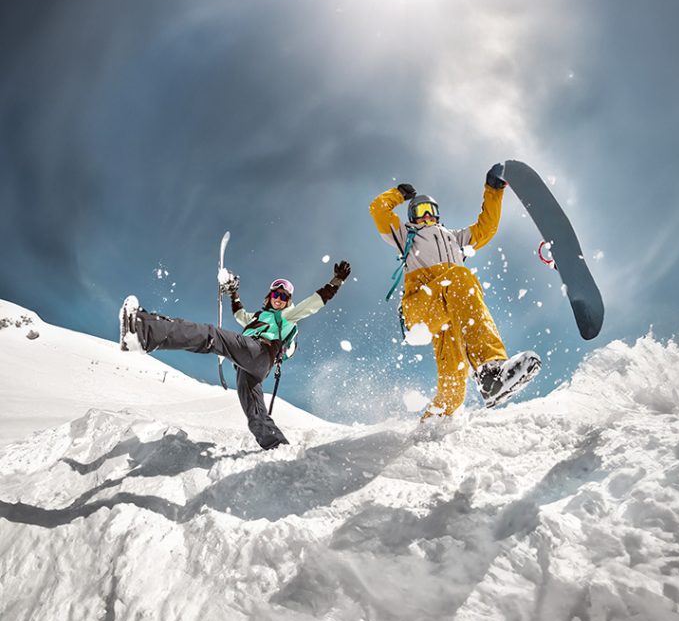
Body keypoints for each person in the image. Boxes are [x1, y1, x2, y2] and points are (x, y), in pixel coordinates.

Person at [119, 261, 351, 450]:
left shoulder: (288, 316)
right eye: (275, 295)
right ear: (269, 297)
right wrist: (233, 293)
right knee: (255, 413)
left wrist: (335, 282)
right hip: (248, 368)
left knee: (213, 337)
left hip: (260, 352)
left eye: (283, 297)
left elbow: (314, 303)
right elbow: (240, 314)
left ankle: (142, 331)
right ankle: (279, 449)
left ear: (288, 301)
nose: (278, 299)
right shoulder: (258, 316)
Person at [370, 165, 540, 416]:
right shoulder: (406, 235)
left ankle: (432, 424)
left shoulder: (454, 238)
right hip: (421, 304)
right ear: (412, 216)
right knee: (460, 277)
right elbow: (378, 210)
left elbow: (486, 228)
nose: (426, 215)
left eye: (431, 211)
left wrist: (493, 191)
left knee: (454, 383)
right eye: (420, 211)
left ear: (438, 214)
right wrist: (397, 194)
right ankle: (490, 371)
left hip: (449, 312)